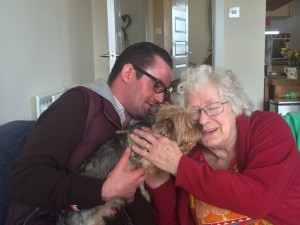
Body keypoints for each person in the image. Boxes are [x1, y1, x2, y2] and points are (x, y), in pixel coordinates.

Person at [5, 42, 173, 225]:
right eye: (156, 85)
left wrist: (130, 194)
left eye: (165, 91)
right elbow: (23, 180)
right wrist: (102, 190)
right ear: (127, 73)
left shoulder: (139, 127)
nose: (161, 98)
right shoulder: (78, 104)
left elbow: (135, 200)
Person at [130, 65, 300, 225]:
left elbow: (258, 201)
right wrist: (160, 183)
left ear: (235, 106)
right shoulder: (189, 150)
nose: (203, 120)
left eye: (213, 107)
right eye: (194, 112)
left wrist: (180, 167)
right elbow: (174, 220)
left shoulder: (268, 128)